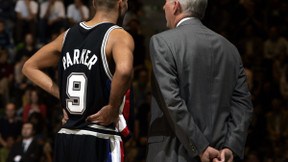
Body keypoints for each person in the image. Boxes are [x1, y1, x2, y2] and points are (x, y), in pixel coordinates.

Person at [22, 0, 134, 161]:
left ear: (94, 3)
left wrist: (64, 96)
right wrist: (113, 107)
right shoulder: (118, 35)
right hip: (98, 135)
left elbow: (29, 66)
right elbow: (124, 71)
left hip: (67, 136)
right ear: (121, 3)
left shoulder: (67, 35)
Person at [147, 0, 253, 162]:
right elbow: (243, 105)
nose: (163, 7)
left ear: (176, 6)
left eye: (167, 2)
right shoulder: (230, 49)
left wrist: (201, 147)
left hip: (174, 153)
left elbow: (172, 102)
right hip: (220, 155)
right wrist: (231, 146)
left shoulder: (162, 42)